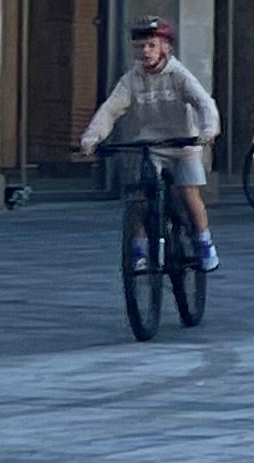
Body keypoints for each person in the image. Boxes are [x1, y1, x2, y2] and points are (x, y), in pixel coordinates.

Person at [78, 15, 220, 271]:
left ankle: (204, 241)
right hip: (150, 146)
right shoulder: (131, 80)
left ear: (166, 47)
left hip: (182, 144)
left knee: (188, 191)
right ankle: (139, 249)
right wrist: (92, 137)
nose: (145, 51)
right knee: (141, 197)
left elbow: (203, 103)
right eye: (140, 46)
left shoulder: (178, 75)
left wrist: (208, 129)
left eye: (151, 45)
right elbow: (110, 110)